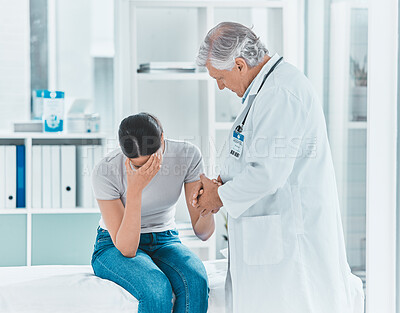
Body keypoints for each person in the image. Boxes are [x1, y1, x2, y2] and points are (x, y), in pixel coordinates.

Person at [192, 22, 364, 313]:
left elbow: (268, 173)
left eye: (220, 78)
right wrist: (223, 181)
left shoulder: (282, 93)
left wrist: (218, 196)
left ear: (238, 64)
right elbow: (256, 156)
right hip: (270, 240)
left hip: (289, 245)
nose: (220, 86)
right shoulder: (266, 91)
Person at [91, 112, 214, 313]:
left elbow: (203, 233)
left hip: (165, 240)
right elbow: (128, 250)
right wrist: (135, 190)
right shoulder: (106, 170)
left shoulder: (187, 155)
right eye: (137, 165)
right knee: (156, 288)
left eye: (151, 162)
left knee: (196, 280)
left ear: (162, 139)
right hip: (113, 245)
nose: (145, 170)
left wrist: (208, 206)